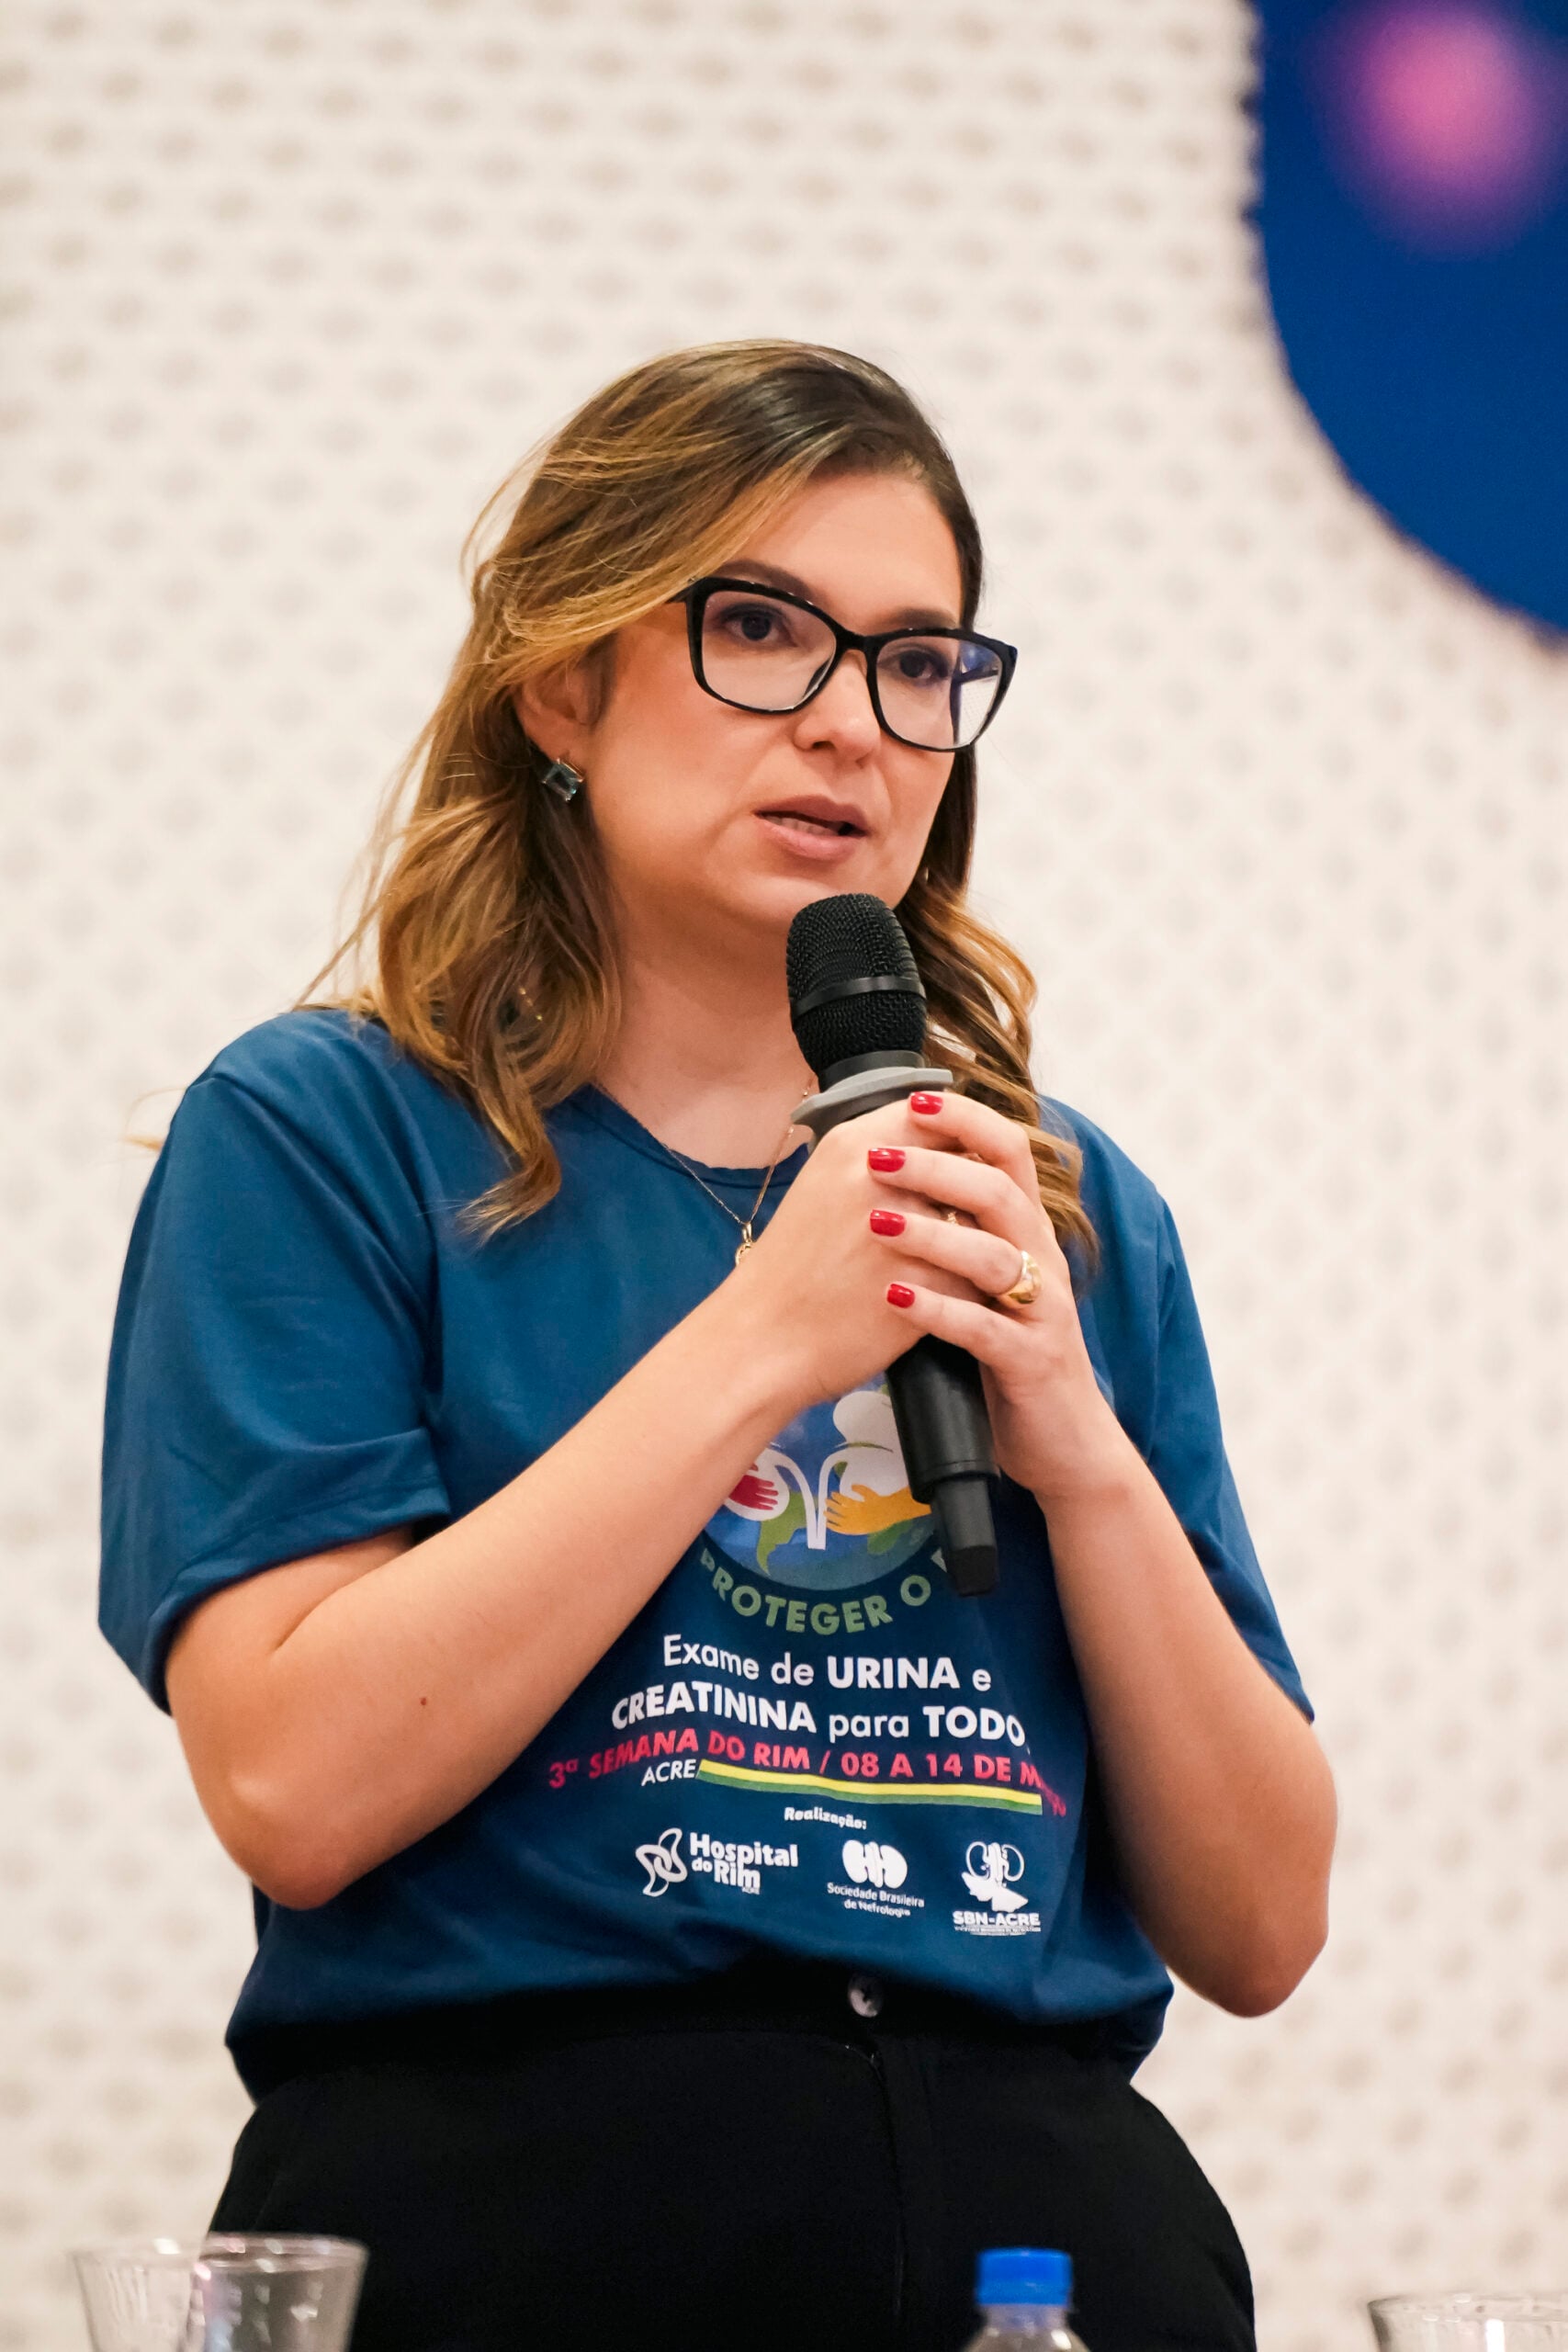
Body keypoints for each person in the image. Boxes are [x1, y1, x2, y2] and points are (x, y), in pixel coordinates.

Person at [99, 340, 1336, 2352]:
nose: (851, 722)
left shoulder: (1056, 1201)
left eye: (917, 662)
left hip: (1041, 2231)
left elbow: (1263, 1925)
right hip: (523, 2209)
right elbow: (293, 1781)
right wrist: (764, 1335)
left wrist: (1078, 1445)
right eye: (758, 628)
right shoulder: (324, 1131)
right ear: (561, 684)